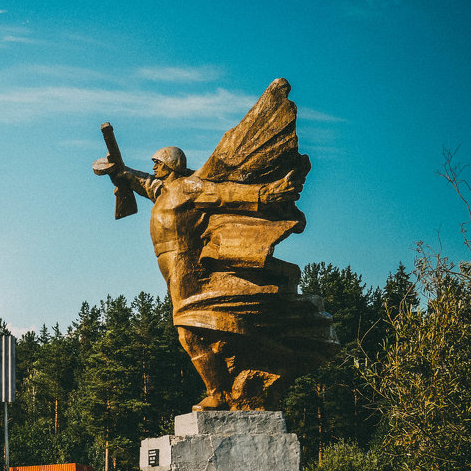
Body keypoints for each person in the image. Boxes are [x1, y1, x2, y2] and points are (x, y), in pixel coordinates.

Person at [92, 80, 337, 410]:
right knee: (199, 324)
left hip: (187, 263)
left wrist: (267, 193)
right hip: (168, 265)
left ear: (171, 164)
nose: (153, 166)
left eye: (157, 161)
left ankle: (219, 391)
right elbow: (136, 179)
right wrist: (115, 170)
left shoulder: (192, 187)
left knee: (188, 328)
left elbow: (229, 195)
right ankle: (228, 377)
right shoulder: (162, 191)